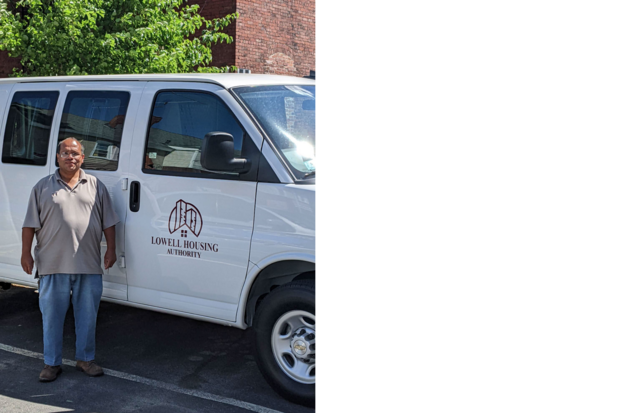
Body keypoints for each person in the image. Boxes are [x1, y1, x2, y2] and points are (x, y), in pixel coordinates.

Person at [21, 137, 119, 382]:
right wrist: (25, 253)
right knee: (51, 319)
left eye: (75, 154)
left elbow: (109, 221)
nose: (70, 157)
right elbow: (29, 225)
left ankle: (85, 360)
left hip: (88, 265)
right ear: (57, 157)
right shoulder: (42, 187)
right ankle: (51, 364)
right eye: (65, 153)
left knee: (88, 318)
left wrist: (111, 250)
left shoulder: (96, 185)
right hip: (52, 265)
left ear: (83, 158)